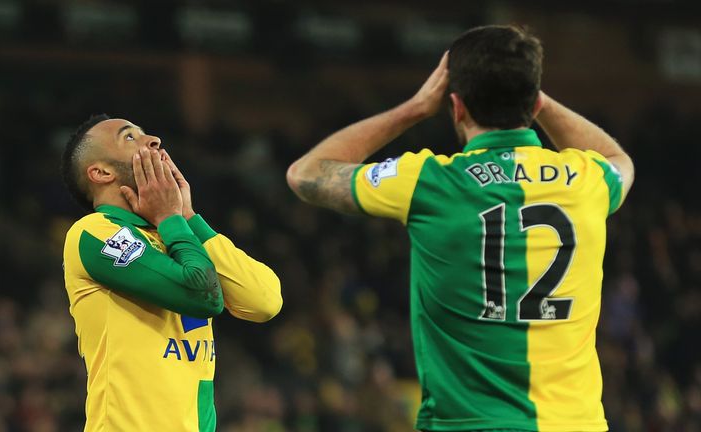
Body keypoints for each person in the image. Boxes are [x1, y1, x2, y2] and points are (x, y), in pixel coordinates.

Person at [287, 25, 634, 431]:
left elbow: (305, 174)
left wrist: (414, 108)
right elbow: (617, 157)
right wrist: (529, 93)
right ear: (535, 103)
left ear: (456, 106)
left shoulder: (430, 182)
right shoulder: (588, 179)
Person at [61, 114, 282, 432]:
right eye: (129, 137)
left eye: (146, 132)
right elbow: (203, 295)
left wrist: (188, 216)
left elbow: (265, 301)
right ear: (100, 172)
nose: (153, 140)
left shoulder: (174, 234)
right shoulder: (94, 233)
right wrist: (170, 217)